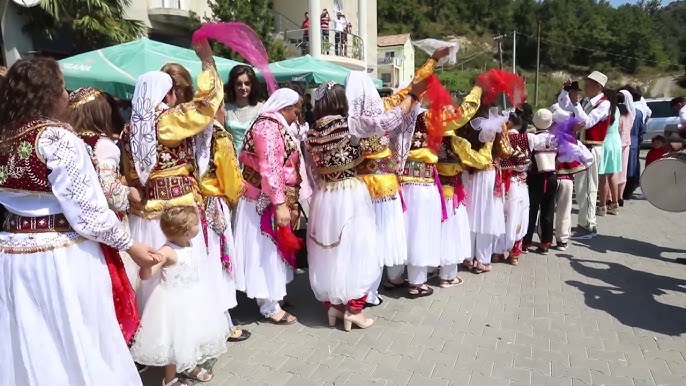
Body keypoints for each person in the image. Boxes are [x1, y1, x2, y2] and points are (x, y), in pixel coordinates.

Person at [0, 57, 159, 386]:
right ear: (47, 95)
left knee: (29, 339)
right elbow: (88, 212)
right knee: (79, 336)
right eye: (62, 88)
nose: (66, 95)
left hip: (11, 255)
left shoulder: (4, 138)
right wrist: (130, 246)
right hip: (63, 255)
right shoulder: (56, 139)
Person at [306, 76, 416, 330]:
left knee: (329, 252)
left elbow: (312, 170)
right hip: (350, 193)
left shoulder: (310, 132)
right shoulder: (350, 124)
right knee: (359, 249)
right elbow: (384, 122)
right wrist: (410, 100)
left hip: (324, 195)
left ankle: (333, 306)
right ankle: (354, 310)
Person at [67, 87, 142, 345]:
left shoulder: (71, 140)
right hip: (108, 226)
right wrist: (129, 192)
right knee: (116, 286)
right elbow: (110, 192)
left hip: (77, 229)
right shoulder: (103, 145)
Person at [131, 207, 228, 386]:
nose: (199, 225)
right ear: (185, 231)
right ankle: (169, 378)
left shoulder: (188, 244)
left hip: (194, 296)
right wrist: (146, 263)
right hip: (173, 303)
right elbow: (146, 276)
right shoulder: (167, 251)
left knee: (193, 335)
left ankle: (189, 365)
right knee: (174, 341)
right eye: (196, 224)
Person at [233, 88, 303, 325]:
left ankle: (275, 294)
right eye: (296, 110)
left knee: (274, 250)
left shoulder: (273, 124)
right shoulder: (268, 127)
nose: (297, 116)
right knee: (265, 251)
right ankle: (268, 305)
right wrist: (280, 203)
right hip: (262, 201)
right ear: (285, 107)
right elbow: (270, 168)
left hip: (269, 199)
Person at [196, 104, 251, 342]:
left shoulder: (191, 133)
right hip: (214, 205)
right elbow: (231, 181)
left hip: (194, 204)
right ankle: (223, 324)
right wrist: (234, 197)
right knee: (218, 262)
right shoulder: (219, 137)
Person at [558, 71, 611, 239]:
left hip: (592, 148)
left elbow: (587, 122)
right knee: (581, 187)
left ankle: (589, 225)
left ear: (599, 86)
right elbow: (564, 106)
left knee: (589, 187)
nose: (585, 88)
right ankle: (584, 222)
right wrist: (566, 92)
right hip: (582, 147)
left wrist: (576, 104)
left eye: (589, 85)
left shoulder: (604, 104)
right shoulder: (586, 101)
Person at [522, 109, 558, 255]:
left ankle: (525, 242)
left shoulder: (531, 137)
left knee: (530, 210)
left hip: (535, 176)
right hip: (552, 176)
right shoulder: (557, 137)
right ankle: (545, 242)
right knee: (548, 210)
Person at [225, 65, 264, 151]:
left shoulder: (261, 109)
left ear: (252, 85)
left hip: (253, 159)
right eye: (239, 84)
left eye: (247, 83)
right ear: (233, 86)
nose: (243, 87)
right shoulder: (225, 109)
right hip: (230, 158)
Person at [597, 89, 622, 216]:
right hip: (616, 141)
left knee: (603, 176)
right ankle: (615, 203)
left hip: (605, 141)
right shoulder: (616, 110)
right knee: (612, 174)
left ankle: (602, 205)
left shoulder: (604, 109)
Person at [623, 87, 646, 200]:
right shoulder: (639, 112)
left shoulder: (626, 113)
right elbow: (643, 129)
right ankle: (629, 191)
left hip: (626, 142)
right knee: (632, 168)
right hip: (635, 142)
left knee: (625, 169)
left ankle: (624, 192)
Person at [616, 89, 635, 208]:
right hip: (626, 144)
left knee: (613, 171)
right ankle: (620, 197)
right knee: (623, 171)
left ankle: (612, 197)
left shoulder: (616, 113)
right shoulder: (629, 113)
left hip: (616, 144)